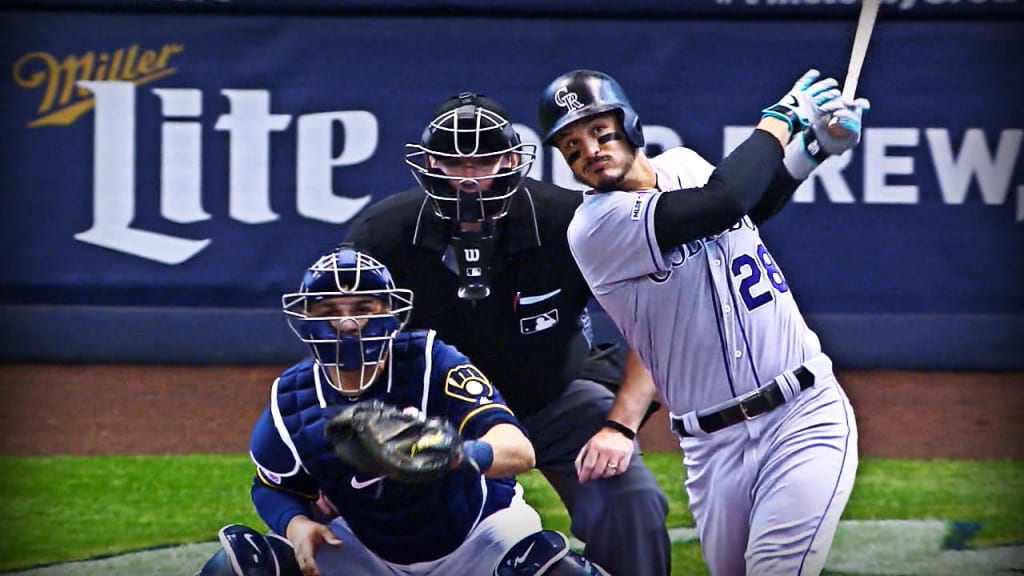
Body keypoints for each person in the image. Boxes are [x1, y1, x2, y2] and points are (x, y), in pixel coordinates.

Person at [537, 68, 868, 575]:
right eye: (572, 145)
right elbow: (722, 203)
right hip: (711, 448)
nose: (590, 150)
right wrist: (781, 120)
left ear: (629, 125)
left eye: (600, 132)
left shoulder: (684, 166)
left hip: (803, 413)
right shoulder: (594, 227)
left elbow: (745, 207)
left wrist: (813, 150)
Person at [343, 92, 671, 576]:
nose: (471, 178)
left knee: (632, 501)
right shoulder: (384, 233)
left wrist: (619, 427)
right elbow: (340, 338)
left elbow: (655, 321)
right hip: (433, 414)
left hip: (554, 397)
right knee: (373, 516)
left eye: (485, 160)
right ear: (430, 162)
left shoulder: (570, 220)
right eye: (456, 162)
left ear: (512, 159)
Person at [194, 244, 609, 576]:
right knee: (237, 565)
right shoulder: (292, 398)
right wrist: (294, 523)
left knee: (555, 570)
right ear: (305, 321)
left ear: (390, 314)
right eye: (330, 312)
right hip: (365, 551)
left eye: (363, 309)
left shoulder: (430, 360)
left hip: (480, 537)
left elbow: (519, 449)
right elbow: (271, 483)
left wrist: (458, 455)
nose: (348, 325)